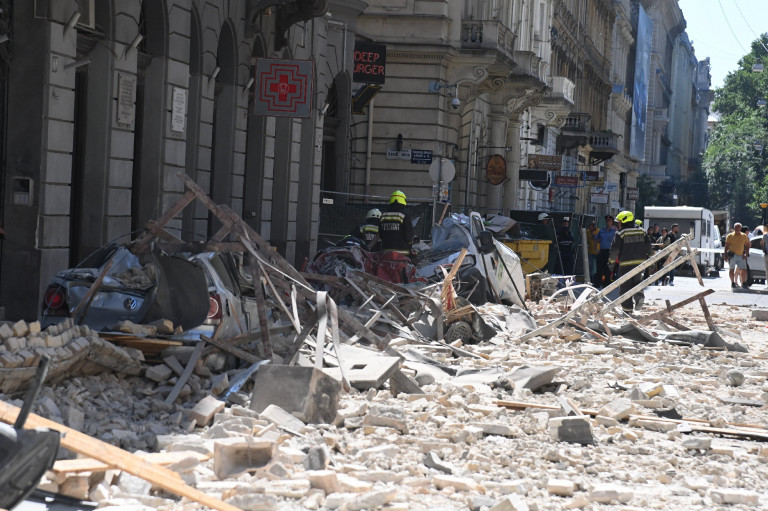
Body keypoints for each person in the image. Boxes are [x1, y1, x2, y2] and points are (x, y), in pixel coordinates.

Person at [608, 210, 653, 313]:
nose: (617, 224)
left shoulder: (620, 233)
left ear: (625, 221)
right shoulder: (642, 231)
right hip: (641, 264)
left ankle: (627, 310)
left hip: (626, 264)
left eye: (619, 222)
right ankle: (639, 296)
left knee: (625, 287)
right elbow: (649, 248)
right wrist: (652, 262)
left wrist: (611, 263)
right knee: (637, 282)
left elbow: (614, 250)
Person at [379, 190, 414, 255]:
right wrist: (410, 243)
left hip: (386, 251)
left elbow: (380, 234)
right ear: (403, 200)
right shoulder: (404, 215)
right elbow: (408, 235)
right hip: (402, 252)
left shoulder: (383, 215)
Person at [593, 215, 616, 288]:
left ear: (612, 222)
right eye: (607, 221)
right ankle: (597, 283)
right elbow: (595, 239)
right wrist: (596, 248)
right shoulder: (601, 231)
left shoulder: (614, 231)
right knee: (599, 268)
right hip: (602, 251)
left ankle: (606, 284)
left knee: (608, 269)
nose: (608, 222)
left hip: (609, 252)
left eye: (609, 221)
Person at [724, 222, 750, 289]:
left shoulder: (744, 236)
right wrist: (725, 255)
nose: (737, 228)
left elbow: (747, 245)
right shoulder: (730, 236)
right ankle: (733, 283)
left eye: (738, 227)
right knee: (731, 269)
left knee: (744, 269)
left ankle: (743, 283)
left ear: (740, 228)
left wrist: (746, 253)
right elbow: (726, 246)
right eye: (736, 227)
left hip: (741, 255)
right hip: (732, 255)